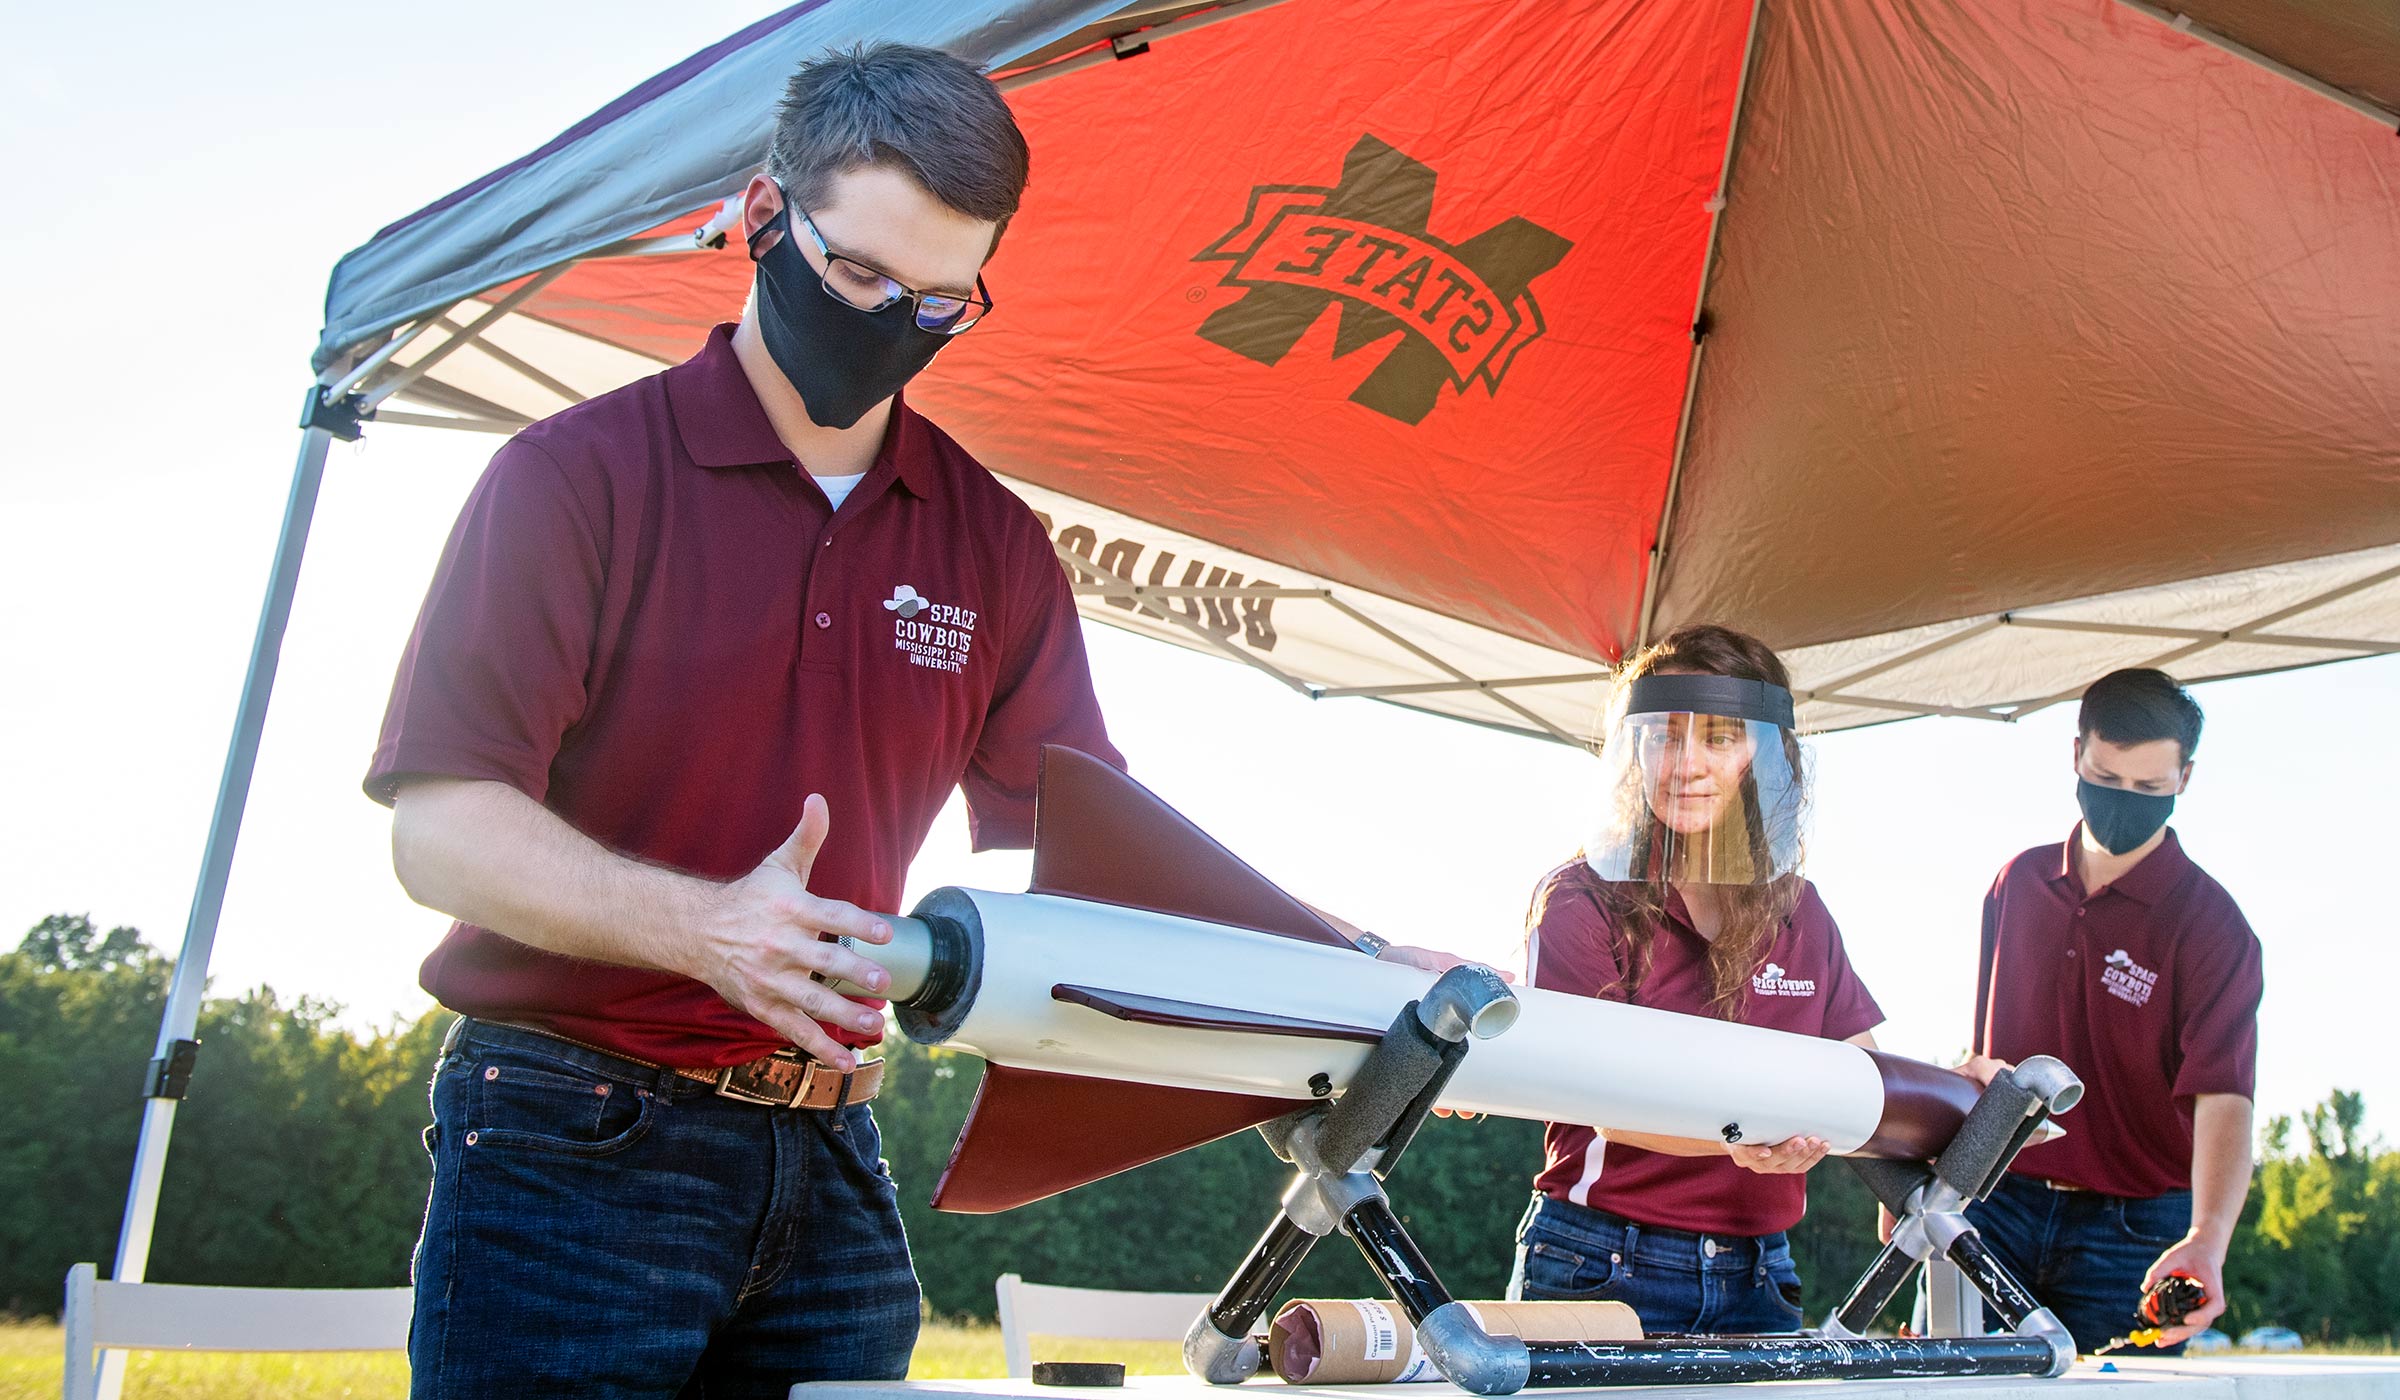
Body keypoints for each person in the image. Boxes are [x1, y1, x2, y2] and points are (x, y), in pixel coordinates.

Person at [365, 45, 1121, 1399]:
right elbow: (442, 834)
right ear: (766, 220)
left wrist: (1354, 968)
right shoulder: (573, 480)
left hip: (835, 1159)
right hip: (568, 1140)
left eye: (943, 301)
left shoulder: (996, 547)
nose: (898, 323)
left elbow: (1103, 850)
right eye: (860, 279)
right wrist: (701, 928)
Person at [1503, 624, 1885, 1333]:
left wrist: (1966, 1093)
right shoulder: (1580, 899)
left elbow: (1863, 1069)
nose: (1686, 763)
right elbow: (1602, 1094)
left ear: (1767, 758)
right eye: (1663, 735)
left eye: (1719, 736)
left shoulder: (1799, 908)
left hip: (1764, 1272)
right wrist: (1755, 1131)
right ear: (1632, 751)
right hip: (1601, 1261)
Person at [1957, 669, 2260, 1354]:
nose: (2124, 799)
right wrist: (1931, 1173)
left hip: (2134, 1236)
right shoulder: (2019, 882)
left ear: (2185, 778)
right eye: (2106, 776)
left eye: (2149, 788)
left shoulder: (2213, 927)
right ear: (2075, 755)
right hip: (1995, 1202)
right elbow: (1983, 1063)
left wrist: (2208, 1239)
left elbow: (2225, 1099)